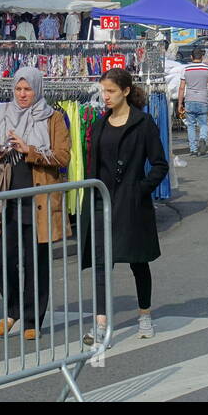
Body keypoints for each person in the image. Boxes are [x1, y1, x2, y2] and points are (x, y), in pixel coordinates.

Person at [82, 67, 169, 346]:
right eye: (102, 91)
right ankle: (100, 324)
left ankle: (144, 314)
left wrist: (139, 190)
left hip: (131, 204)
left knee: (137, 261)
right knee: (100, 263)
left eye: (110, 91)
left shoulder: (143, 123)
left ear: (126, 92)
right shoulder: (99, 124)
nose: (105, 97)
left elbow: (159, 164)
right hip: (101, 201)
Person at [0, 67, 70, 341]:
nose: (22, 94)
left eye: (28, 89)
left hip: (38, 200)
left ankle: (33, 319)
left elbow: (63, 157)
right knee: (3, 260)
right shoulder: (2, 113)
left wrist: (28, 150)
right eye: (19, 89)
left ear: (37, 89)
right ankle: (13, 310)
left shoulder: (53, 118)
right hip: (6, 199)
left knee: (35, 263)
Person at [177, 48, 208, 156]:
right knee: (204, 124)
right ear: (202, 57)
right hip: (203, 100)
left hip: (189, 100)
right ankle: (202, 138)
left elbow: (181, 88)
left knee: (190, 125)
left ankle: (193, 149)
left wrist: (180, 103)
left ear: (191, 57)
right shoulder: (207, 69)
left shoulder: (185, 69)